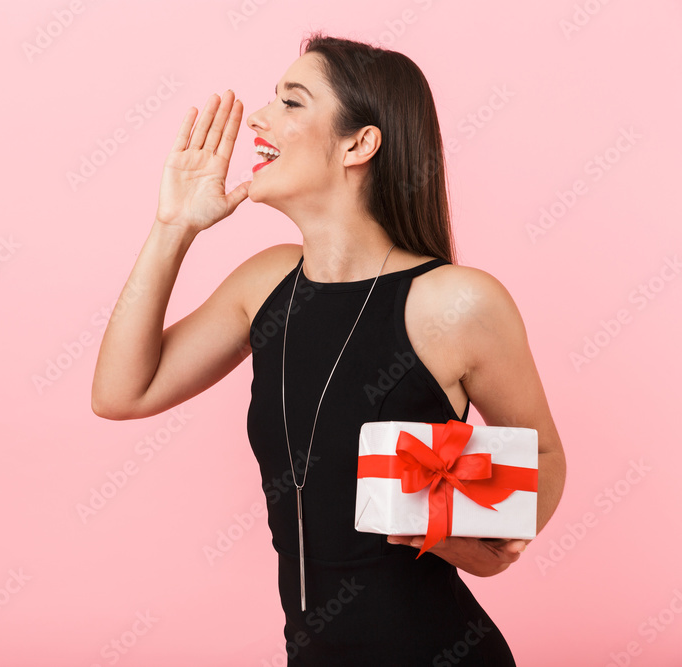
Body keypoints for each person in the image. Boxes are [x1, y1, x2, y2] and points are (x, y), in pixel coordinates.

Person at [91, 32, 566, 666]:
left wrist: (485, 542)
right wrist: (173, 228)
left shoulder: (455, 301)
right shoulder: (266, 283)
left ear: (359, 143)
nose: (258, 118)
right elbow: (121, 393)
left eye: (291, 101)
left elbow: (541, 451)